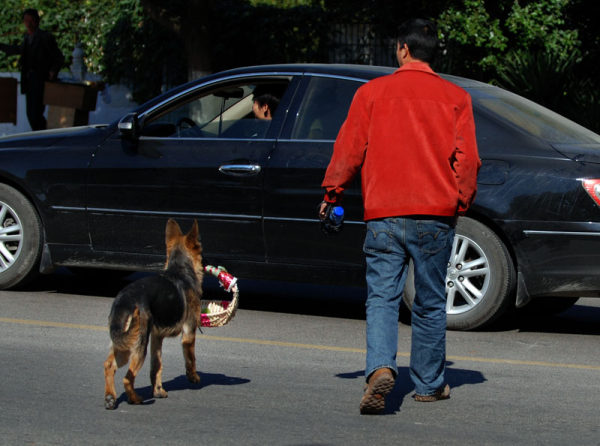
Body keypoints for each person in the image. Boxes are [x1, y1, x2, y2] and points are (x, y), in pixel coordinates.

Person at [319, 18, 480, 414]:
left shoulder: (371, 93)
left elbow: (349, 148)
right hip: (435, 215)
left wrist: (332, 192)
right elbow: (468, 160)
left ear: (403, 49)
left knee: (382, 297)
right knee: (429, 302)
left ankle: (379, 368)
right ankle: (429, 385)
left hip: (384, 214)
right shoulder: (456, 97)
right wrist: (459, 202)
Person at [0, 8, 64, 131]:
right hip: (29, 81)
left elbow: (59, 57)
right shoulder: (27, 38)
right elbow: (18, 50)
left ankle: (44, 135)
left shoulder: (45, 37)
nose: (28, 24)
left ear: (36, 21)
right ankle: (42, 135)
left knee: (36, 114)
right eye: (26, 21)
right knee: (30, 114)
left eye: (31, 21)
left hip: (40, 80)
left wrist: (53, 71)